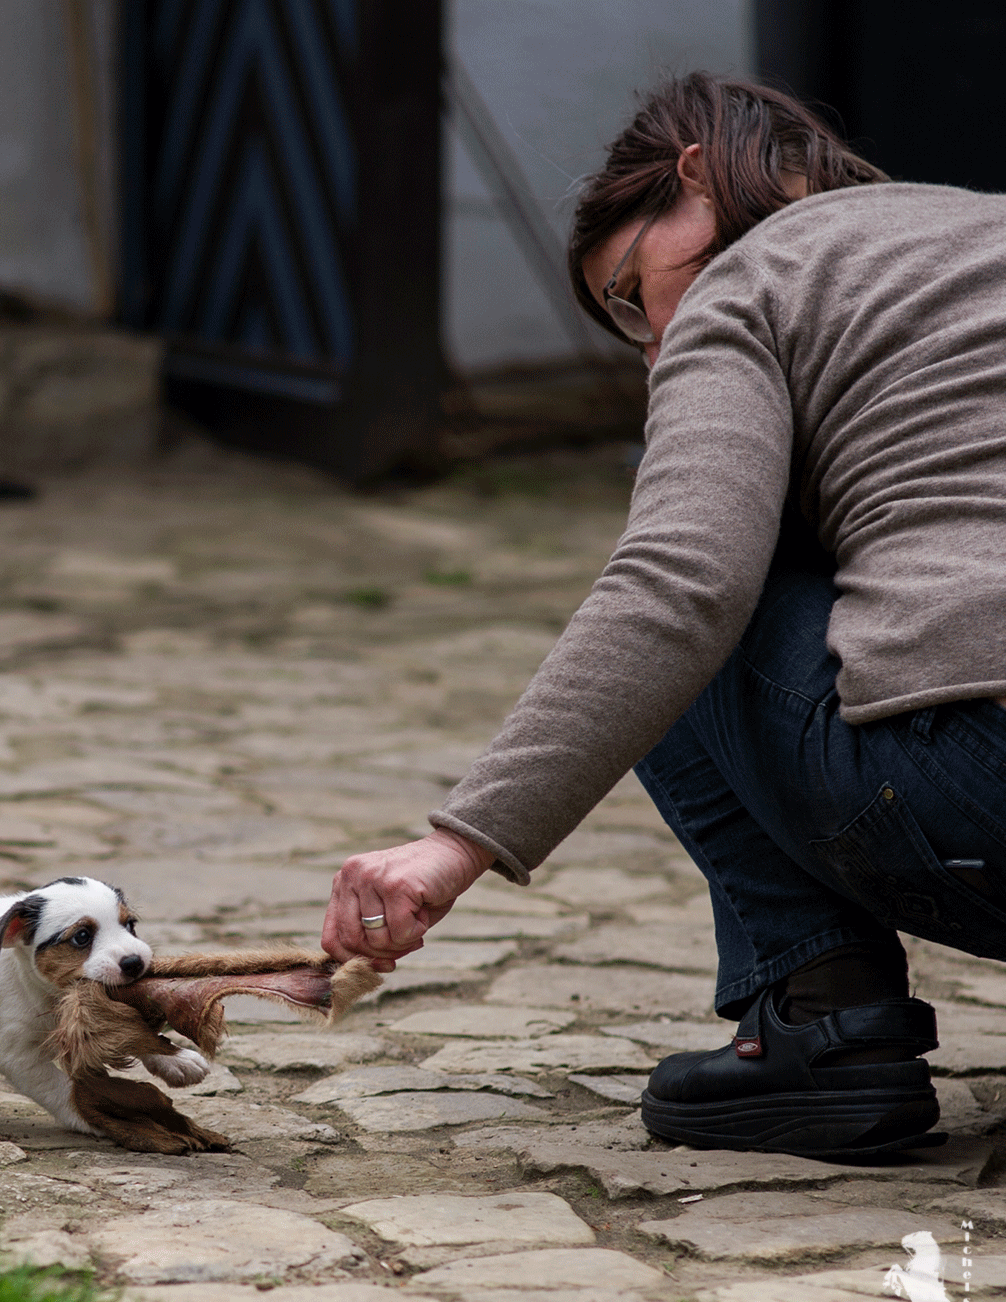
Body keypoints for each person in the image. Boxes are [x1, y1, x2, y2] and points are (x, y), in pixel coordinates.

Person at [320, 72, 1006, 1159]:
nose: (652, 348)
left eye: (630, 296)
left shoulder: (744, 281)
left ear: (691, 176)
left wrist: (456, 844)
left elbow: (680, 582)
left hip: (977, 781)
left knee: (708, 591)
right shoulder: (978, 227)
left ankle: (824, 1024)